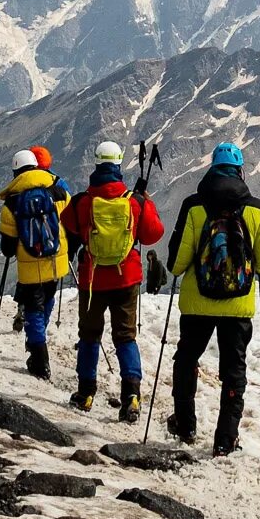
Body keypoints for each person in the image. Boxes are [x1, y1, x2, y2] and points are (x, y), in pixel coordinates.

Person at [167, 141, 260, 457]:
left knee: (187, 359)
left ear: (211, 169)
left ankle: (186, 425)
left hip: (196, 303)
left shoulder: (194, 206)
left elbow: (176, 263)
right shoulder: (254, 208)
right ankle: (225, 439)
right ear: (241, 171)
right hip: (237, 305)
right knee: (233, 371)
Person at [63, 141, 163, 422]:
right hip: (126, 278)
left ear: (95, 164)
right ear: (119, 165)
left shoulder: (83, 201)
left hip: (93, 280)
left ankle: (85, 393)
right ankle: (131, 395)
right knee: (125, 337)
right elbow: (153, 235)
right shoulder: (134, 201)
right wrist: (146, 201)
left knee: (89, 335)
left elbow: (68, 223)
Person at [0, 148, 70, 379]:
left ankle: (39, 360)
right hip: (56, 261)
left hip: (30, 267)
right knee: (47, 301)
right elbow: (70, 223)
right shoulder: (58, 191)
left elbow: (7, 247)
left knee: (33, 309)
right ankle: (38, 342)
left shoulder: (12, 202)